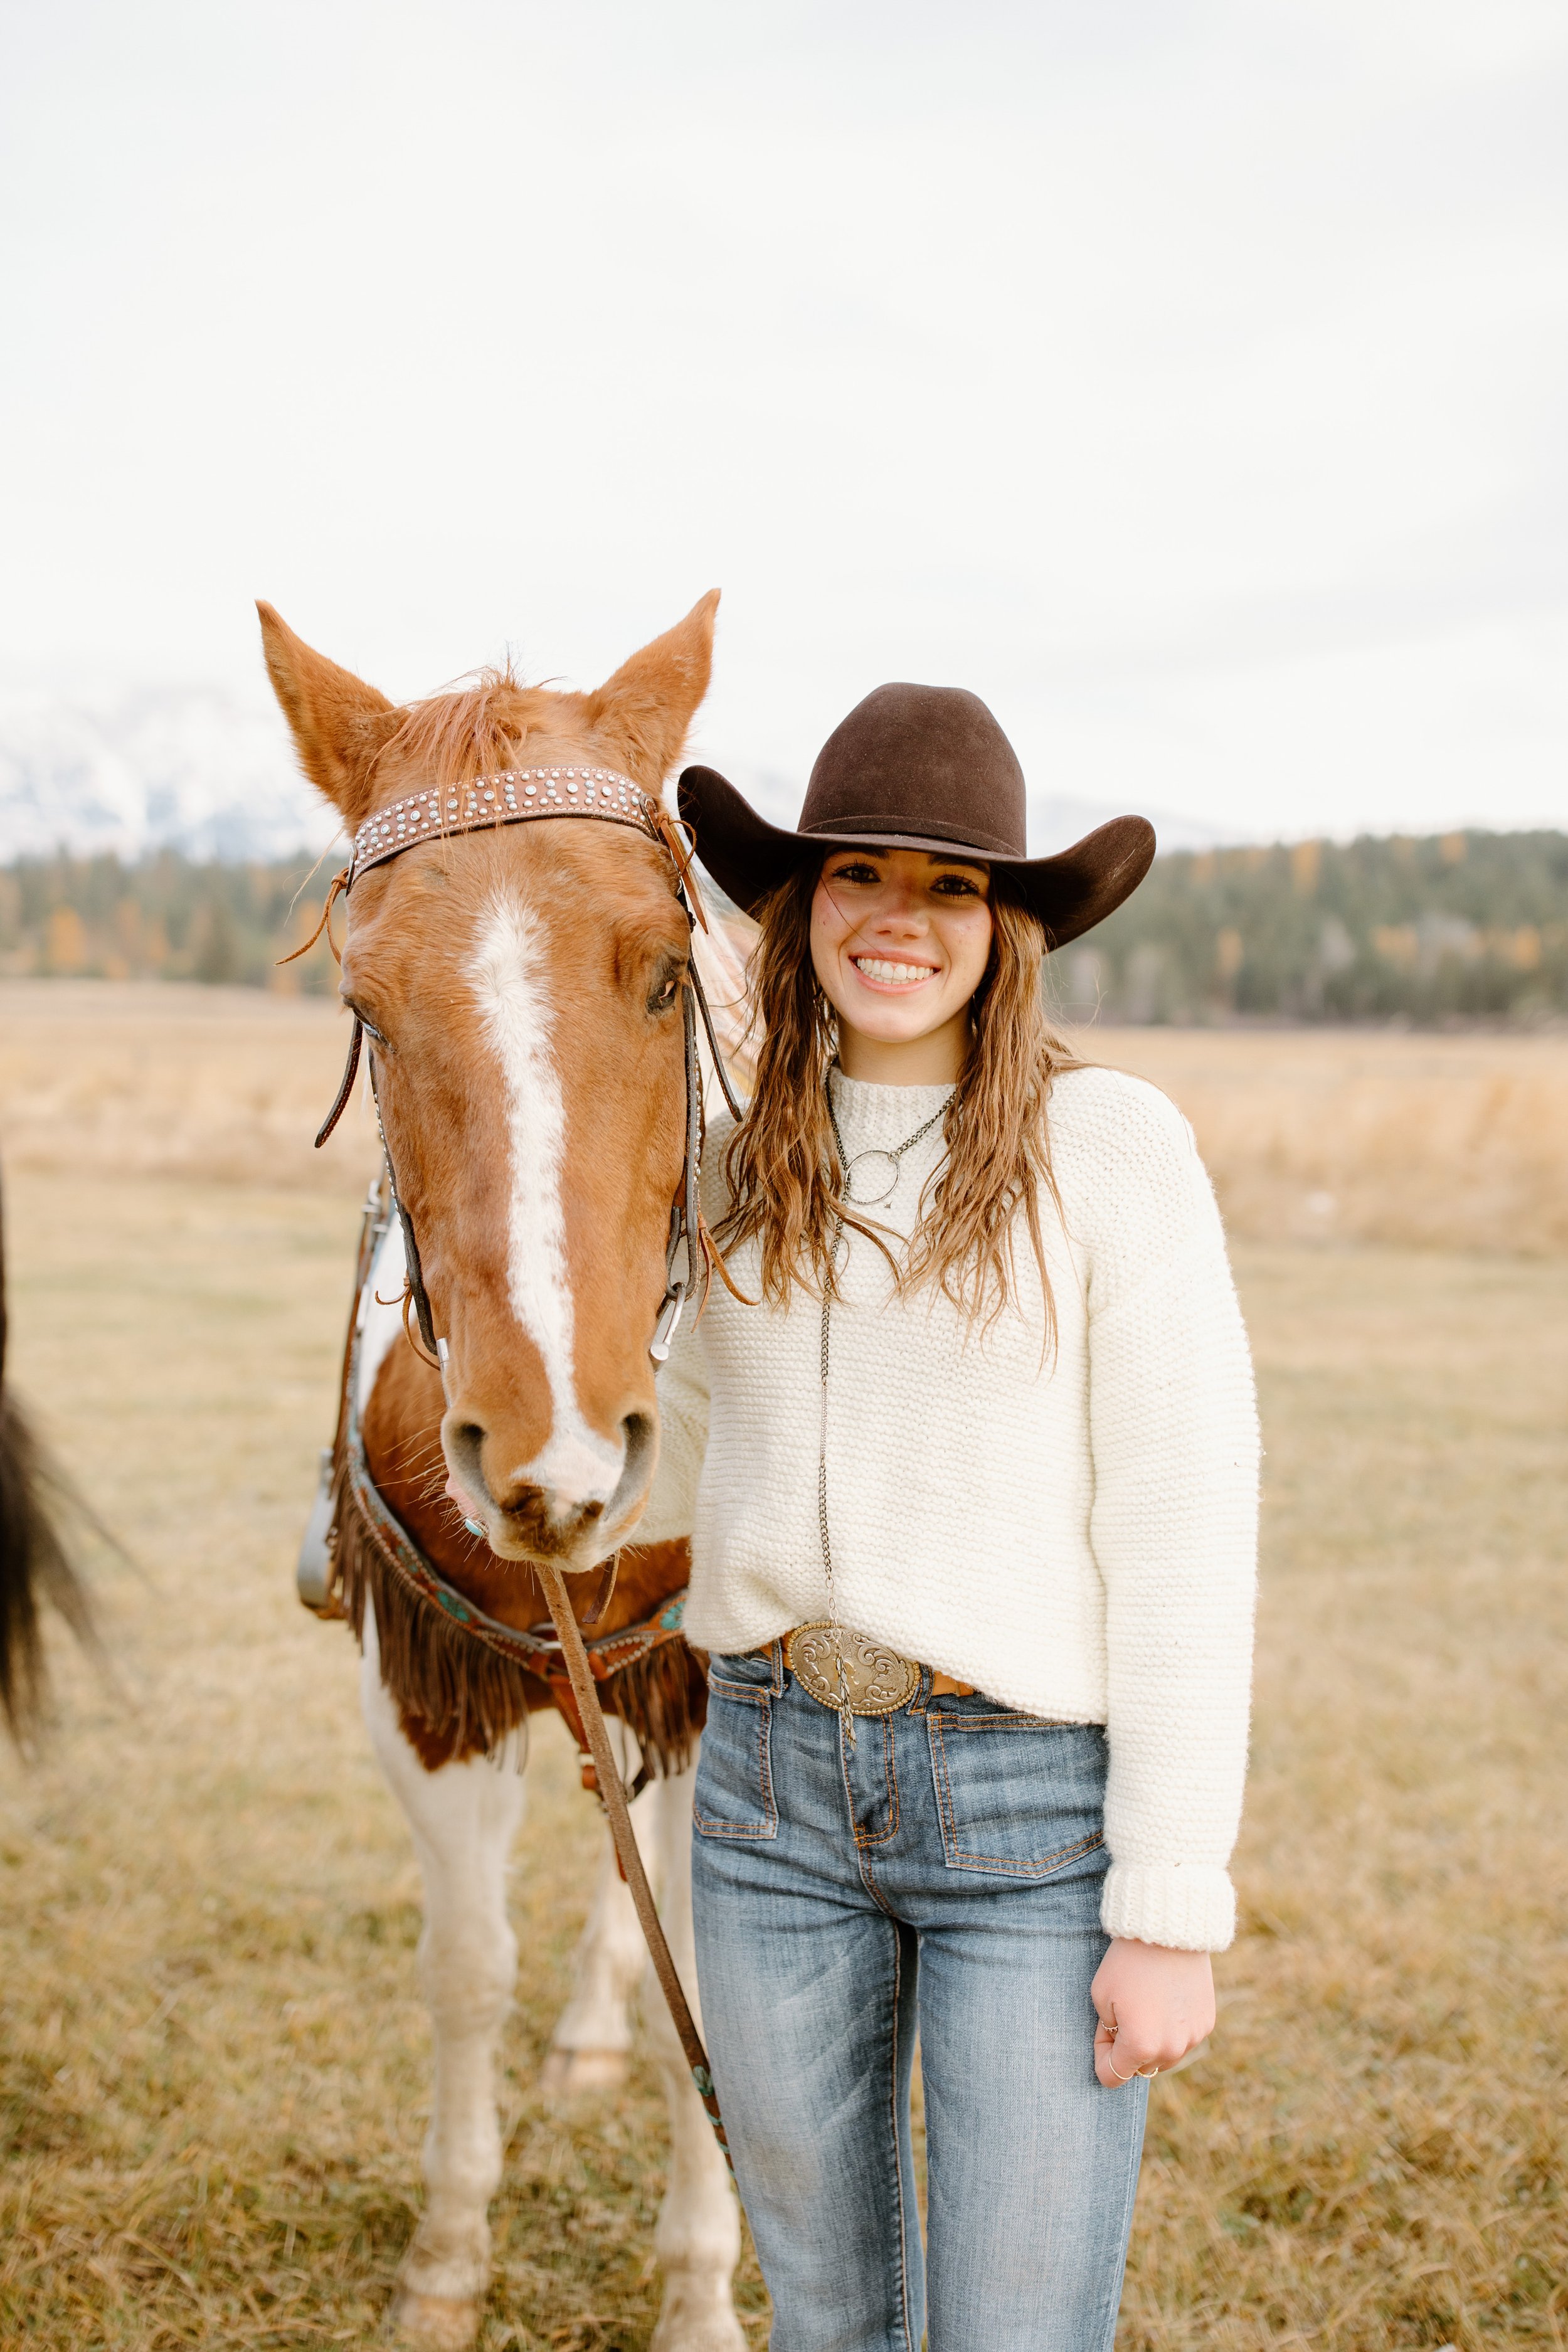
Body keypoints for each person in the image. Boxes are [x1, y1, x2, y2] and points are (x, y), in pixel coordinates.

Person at [640, 683, 1259, 2352]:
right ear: (799, 903)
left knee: (1011, 2329)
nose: (896, 920)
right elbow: (674, 1454)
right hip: (764, 1799)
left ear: (1006, 930)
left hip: (1028, 1820)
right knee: (828, 2320)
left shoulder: (1106, 1149)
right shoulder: (722, 1164)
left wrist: (1166, 1908)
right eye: (857, 876)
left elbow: (1186, 1535)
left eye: (949, 886)